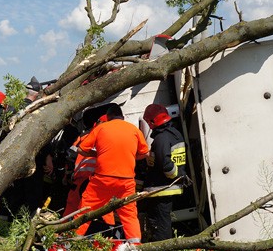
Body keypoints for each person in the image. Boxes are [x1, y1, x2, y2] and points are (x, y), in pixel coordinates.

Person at [74, 104, 149, 243]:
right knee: (129, 215)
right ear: (122, 117)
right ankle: (135, 248)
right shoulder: (134, 129)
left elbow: (81, 150)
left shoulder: (101, 128)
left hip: (103, 179)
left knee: (85, 211)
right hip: (126, 181)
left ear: (108, 117)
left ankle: (72, 243)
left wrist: (98, 154)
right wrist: (131, 156)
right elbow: (144, 153)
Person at [139, 103, 188, 242]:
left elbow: (166, 164)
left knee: (160, 223)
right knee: (164, 221)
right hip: (169, 187)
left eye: (148, 122)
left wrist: (173, 177)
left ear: (153, 121)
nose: (148, 125)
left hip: (162, 188)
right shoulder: (175, 134)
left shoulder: (161, 138)